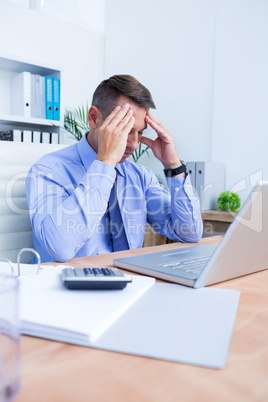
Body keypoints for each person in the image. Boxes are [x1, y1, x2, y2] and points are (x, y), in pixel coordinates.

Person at [26, 75, 203, 263]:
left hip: (130, 284)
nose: (135, 144)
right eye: (125, 129)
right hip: (69, 287)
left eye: (140, 132)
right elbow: (60, 249)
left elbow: (189, 233)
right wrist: (106, 162)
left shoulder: (139, 176)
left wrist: (173, 166)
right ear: (94, 118)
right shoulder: (48, 171)